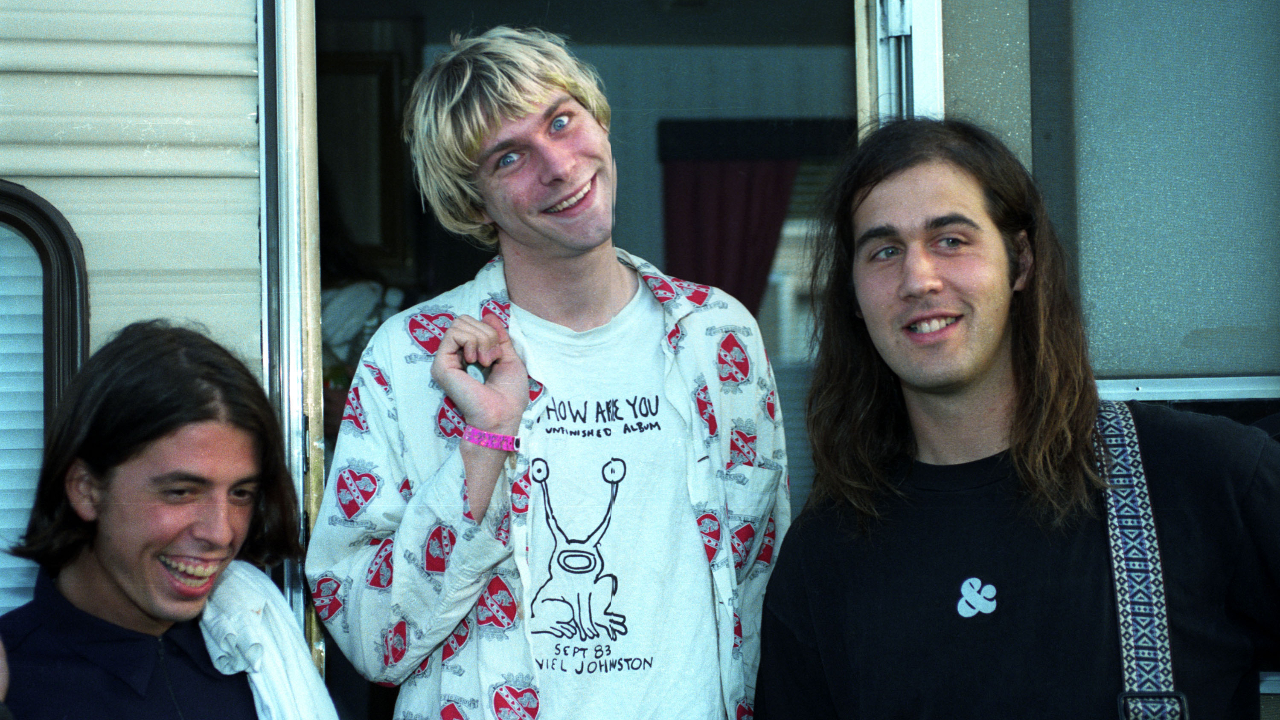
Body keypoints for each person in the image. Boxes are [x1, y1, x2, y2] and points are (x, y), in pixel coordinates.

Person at [305, 25, 788, 720]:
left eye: (562, 122)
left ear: (597, 117)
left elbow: (762, 587)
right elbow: (371, 639)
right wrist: (485, 445)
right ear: (473, 203)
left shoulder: (720, 337)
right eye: (509, 158)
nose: (559, 166)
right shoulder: (410, 357)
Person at [755, 119, 1280, 719]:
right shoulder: (824, 558)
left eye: (951, 240)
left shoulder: (1204, 480)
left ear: (1020, 261)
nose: (918, 279)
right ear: (853, 294)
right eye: (884, 251)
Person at [0, 320, 337, 720]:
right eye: (181, 492)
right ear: (86, 489)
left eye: (241, 494)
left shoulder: (254, 645)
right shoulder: (15, 686)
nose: (220, 533)